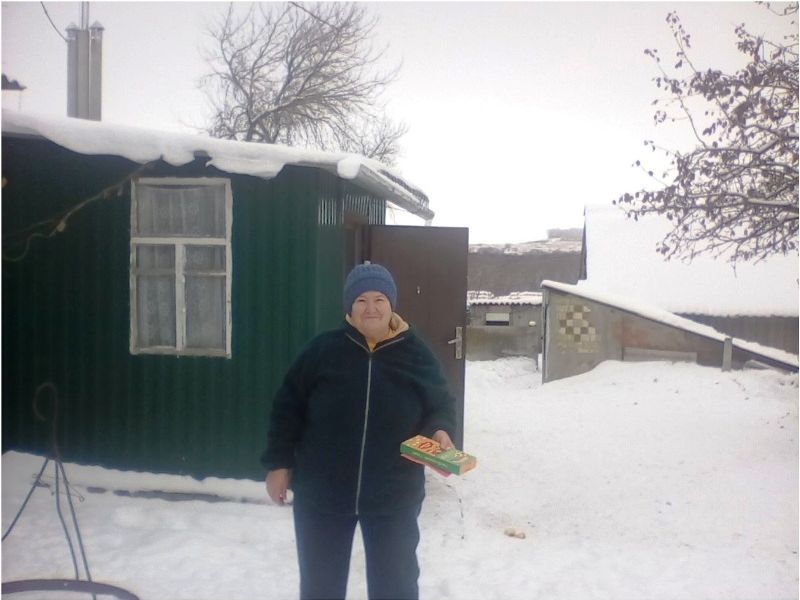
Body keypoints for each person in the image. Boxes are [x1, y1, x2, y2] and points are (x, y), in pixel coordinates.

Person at [261, 262, 456, 600]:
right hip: (322, 492)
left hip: (393, 492)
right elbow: (287, 408)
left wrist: (439, 430)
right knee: (320, 588)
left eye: (379, 299)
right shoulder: (323, 350)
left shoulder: (416, 353)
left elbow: (440, 404)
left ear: (391, 304)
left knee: (395, 588)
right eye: (361, 300)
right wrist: (279, 464)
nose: (371, 308)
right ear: (349, 307)